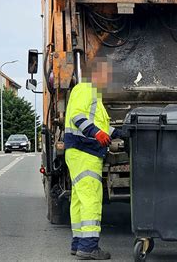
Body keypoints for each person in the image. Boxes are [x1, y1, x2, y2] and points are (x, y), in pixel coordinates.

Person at [64, 59, 121, 260]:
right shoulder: (85, 88)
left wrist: (120, 132)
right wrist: (96, 132)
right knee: (91, 199)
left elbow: (103, 127)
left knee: (80, 199)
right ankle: (88, 247)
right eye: (106, 74)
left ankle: (78, 243)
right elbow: (77, 117)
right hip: (84, 152)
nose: (108, 78)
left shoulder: (93, 95)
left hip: (80, 152)